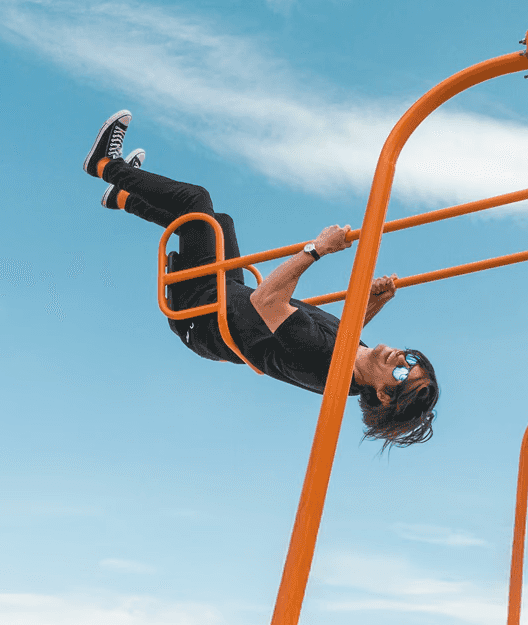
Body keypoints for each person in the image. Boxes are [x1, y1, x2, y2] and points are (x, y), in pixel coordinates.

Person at [84, 110, 439, 447]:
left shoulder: (324, 361)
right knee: (218, 223)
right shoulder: (352, 357)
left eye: (400, 376)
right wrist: (374, 301)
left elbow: (267, 302)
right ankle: (125, 197)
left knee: (196, 201)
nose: (400, 360)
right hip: (227, 297)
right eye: (411, 360)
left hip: (204, 312)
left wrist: (317, 249)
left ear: (381, 393)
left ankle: (104, 165)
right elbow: (343, 327)